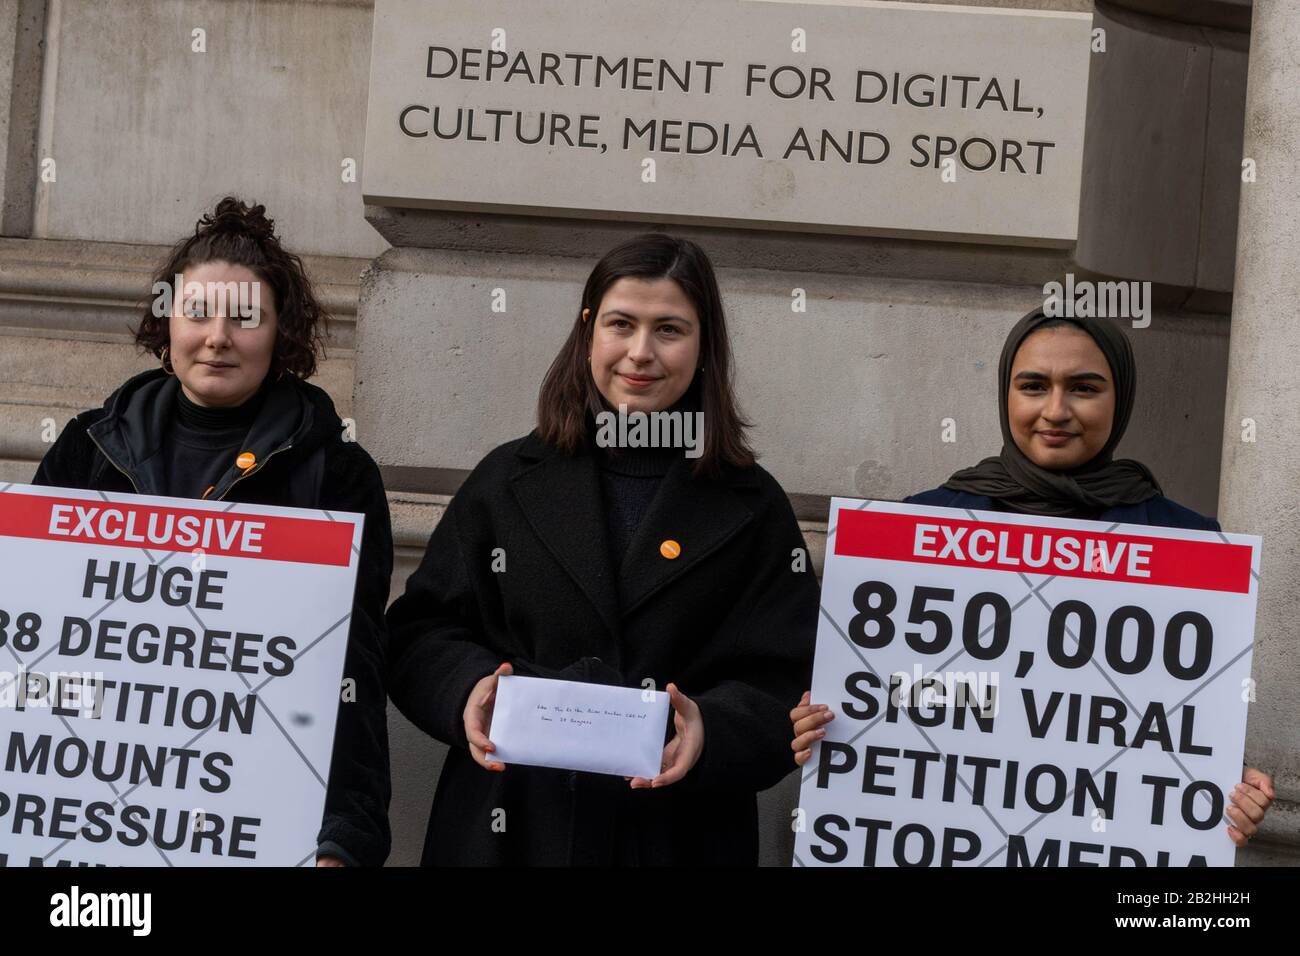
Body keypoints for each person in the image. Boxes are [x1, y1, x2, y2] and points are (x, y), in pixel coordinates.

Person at [386, 233, 818, 865]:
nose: (640, 353)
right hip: (507, 831)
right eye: (622, 324)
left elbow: (789, 681)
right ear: (589, 329)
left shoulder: (754, 507)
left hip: (678, 835)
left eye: (669, 329)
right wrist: (467, 691)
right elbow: (420, 631)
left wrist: (711, 730)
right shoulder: (506, 479)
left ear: (704, 347)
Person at [790, 307, 1274, 849]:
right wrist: (831, 721)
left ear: (1122, 398)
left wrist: (1226, 780)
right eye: (1034, 385)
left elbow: (1176, 721)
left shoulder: (1188, 544)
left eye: (1084, 388)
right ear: (1006, 394)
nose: (1056, 410)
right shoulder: (925, 525)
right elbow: (899, 696)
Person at [32, 197, 392, 866]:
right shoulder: (86, 452)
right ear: (166, 322)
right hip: (92, 819)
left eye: (245, 317)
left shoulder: (336, 475)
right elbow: (29, 648)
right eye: (197, 313)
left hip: (253, 822)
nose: (218, 337)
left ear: (282, 331)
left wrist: (345, 835)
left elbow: (352, 672)